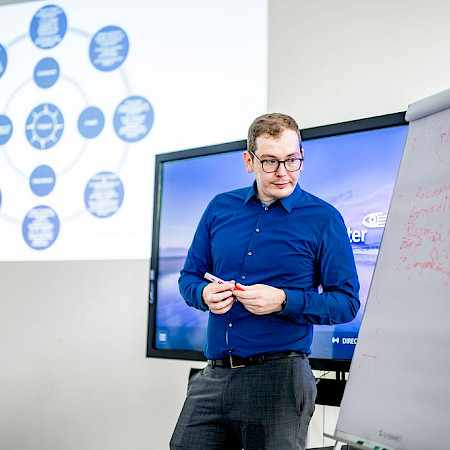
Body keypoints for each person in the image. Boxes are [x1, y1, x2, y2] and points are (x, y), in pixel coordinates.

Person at [170, 113, 360, 450]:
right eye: (270, 161)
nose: (283, 172)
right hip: (212, 376)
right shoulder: (219, 208)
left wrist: (283, 301)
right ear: (249, 161)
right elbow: (189, 278)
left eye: (292, 160)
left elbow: (346, 303)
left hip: (280, 379)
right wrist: (204, 294)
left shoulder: (324, 218)